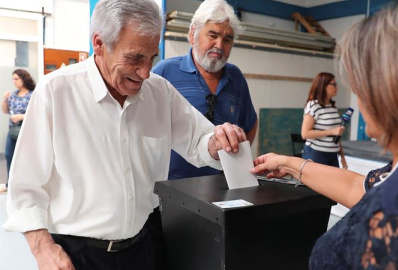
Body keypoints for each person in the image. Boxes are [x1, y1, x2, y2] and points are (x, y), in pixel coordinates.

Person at [2, 0, 247, 269]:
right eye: (135, 58)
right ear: (99, 43)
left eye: (152, 58)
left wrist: (218, 139)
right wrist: (42, 248)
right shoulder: (56, 92)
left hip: (143, 246)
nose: (145, 72)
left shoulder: (159, 92)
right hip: (78, 253)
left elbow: (198, 140)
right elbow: (25, 187)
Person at [251, 0, 398, 268]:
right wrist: (287, 162)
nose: (356, 98)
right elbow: (358, 187)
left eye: (360, 84)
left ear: (393, 91)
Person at [152, 0, 258, 180]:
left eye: (227, 39)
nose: (219, 45)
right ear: (193, 34)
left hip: (220, 184)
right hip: (172, 186)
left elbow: (250, 124)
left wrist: (237, 162)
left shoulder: (236, 78)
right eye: (213, 35)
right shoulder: (164, 72)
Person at [301, 72, 347, 169]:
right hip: (316, 154)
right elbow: (305, 134)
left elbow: (337, 135)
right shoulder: (314, 105)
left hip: (333, 154)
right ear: (323, 86)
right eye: (334, 84)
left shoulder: (332, 107)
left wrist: (342, 157)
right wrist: (331, 131)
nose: (337, 88)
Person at [0, 69, 35, 193]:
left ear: (23, 79)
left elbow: (36, 113)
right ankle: (10, 184)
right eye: (12, 79)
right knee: (9, 156)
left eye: (16, 79)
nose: (13, 81)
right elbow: (5, 111)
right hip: (13, 131)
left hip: (26, 132)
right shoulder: (13, 95)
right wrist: (5, 99)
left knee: (27, 158)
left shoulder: (33, 95)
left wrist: (21, 117)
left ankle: (28, 185)